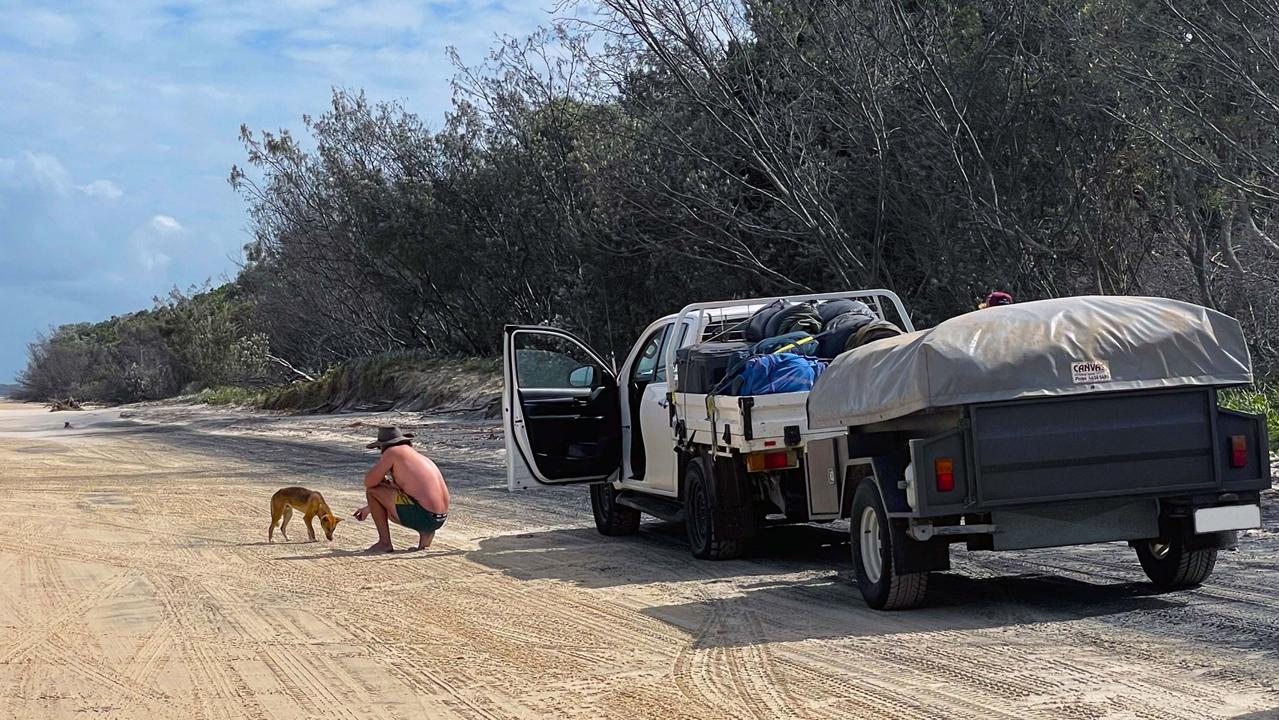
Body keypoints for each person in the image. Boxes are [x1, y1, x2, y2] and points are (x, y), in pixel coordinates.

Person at [352, 426, 450, 553]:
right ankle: (425, 539)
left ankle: (384, 543)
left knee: (372, 491)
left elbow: (369, 482)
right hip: (438, 519)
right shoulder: (417, 456)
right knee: (398, 495)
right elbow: (412, 492)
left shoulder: (393, 452)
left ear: (384, 445)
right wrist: (368, 508)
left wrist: (383, 479)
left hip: (424, 516)